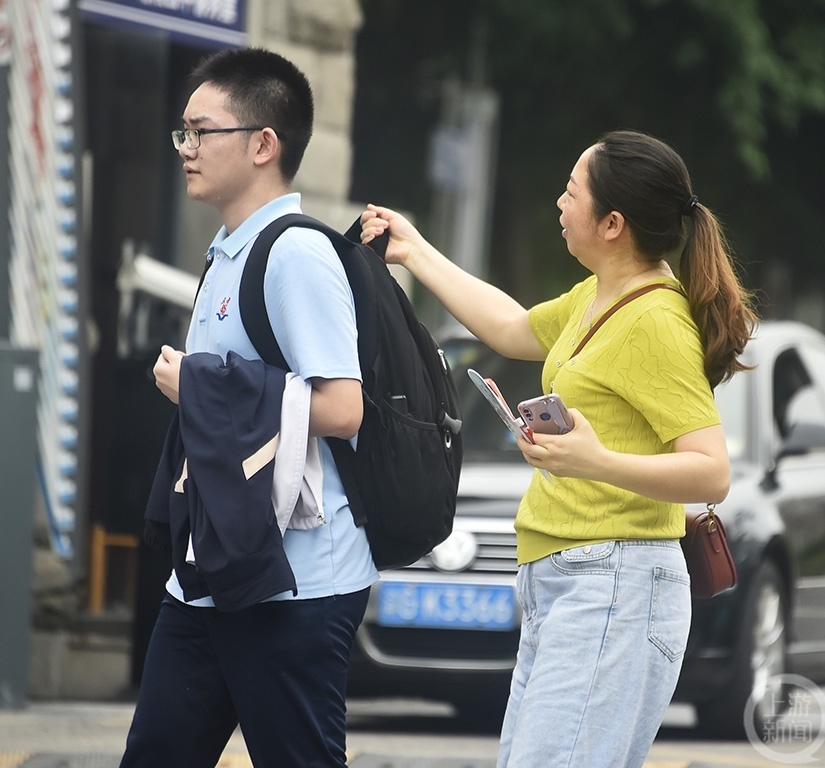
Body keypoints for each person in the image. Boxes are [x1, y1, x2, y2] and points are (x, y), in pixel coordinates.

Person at [360, 129, 756, 768]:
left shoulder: (655, 319)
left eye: (572, 193)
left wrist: (594, 462)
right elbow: (512, 328)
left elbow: (712, 472)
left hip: (614, 585)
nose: (559, 204)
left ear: (613, 224)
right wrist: (416, 252)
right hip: (568, 582)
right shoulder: (601, 294)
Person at [120, 48, 378, 768]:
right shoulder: (228, 252)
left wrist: (201, 386)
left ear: (264, 144)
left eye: (202, 132)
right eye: (183, 133)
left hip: (293, 581)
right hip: (213, 572)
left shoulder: (295, 255)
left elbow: (344, 408)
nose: (187, 149)